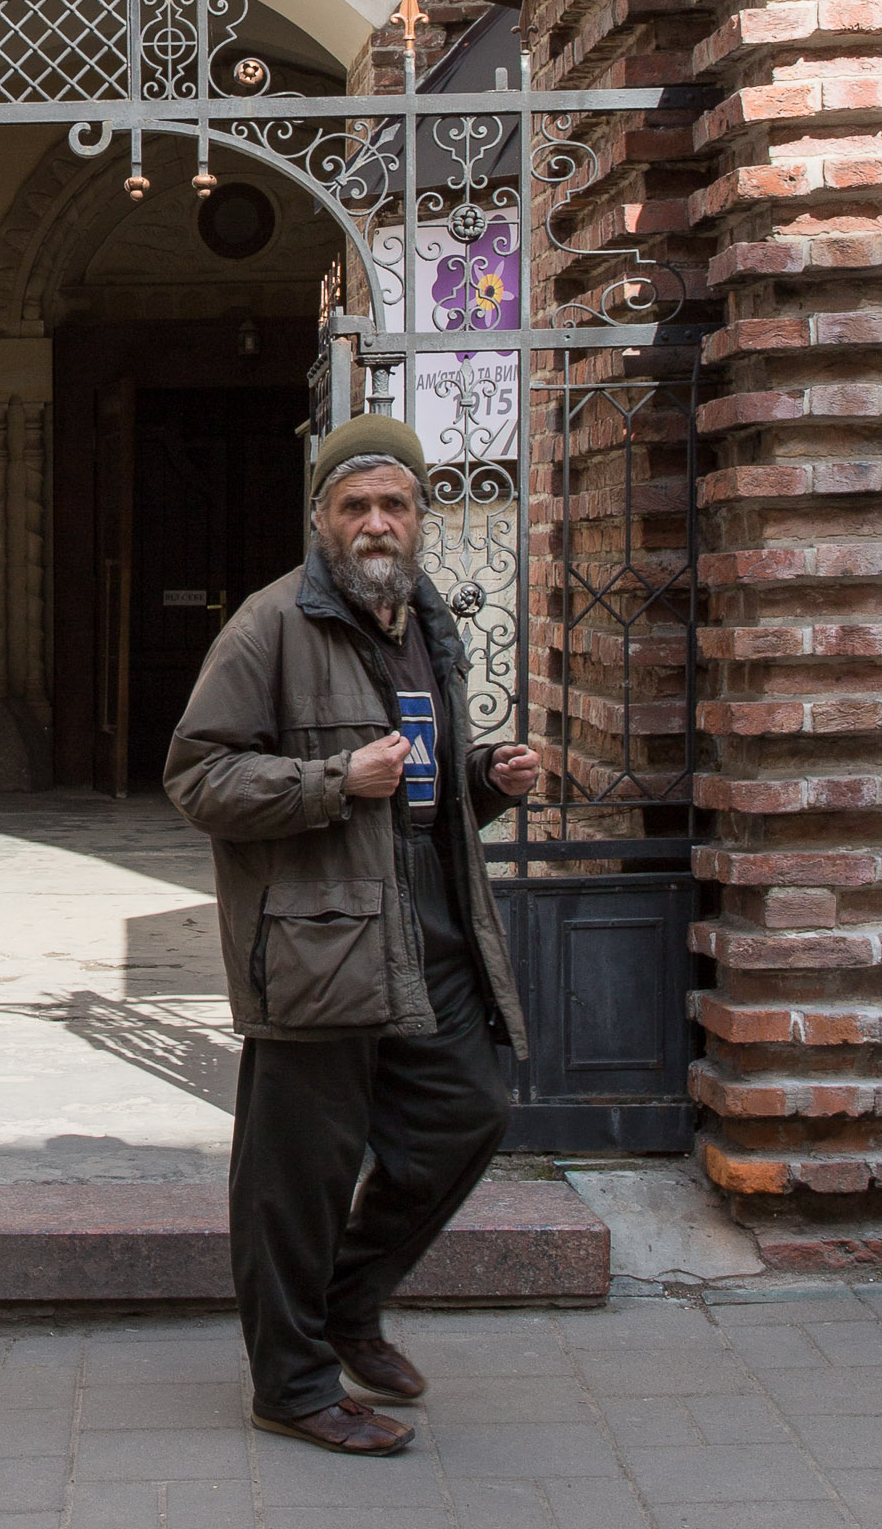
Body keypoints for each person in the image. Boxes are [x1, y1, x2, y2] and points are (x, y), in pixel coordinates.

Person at [164, 414, 541, 1455]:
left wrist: (480, 781)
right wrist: (332, 781)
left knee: (470, 1110)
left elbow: (415, 790)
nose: (377, 522)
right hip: (318, 938)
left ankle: (345, 1302)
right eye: (355, 505)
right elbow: (196, 777)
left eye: (395, 504)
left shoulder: (424, 618)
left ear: (421, 518)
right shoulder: (268, 625)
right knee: (299, 1175)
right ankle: (289, 1384)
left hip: (430, 924)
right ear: (321, 518)